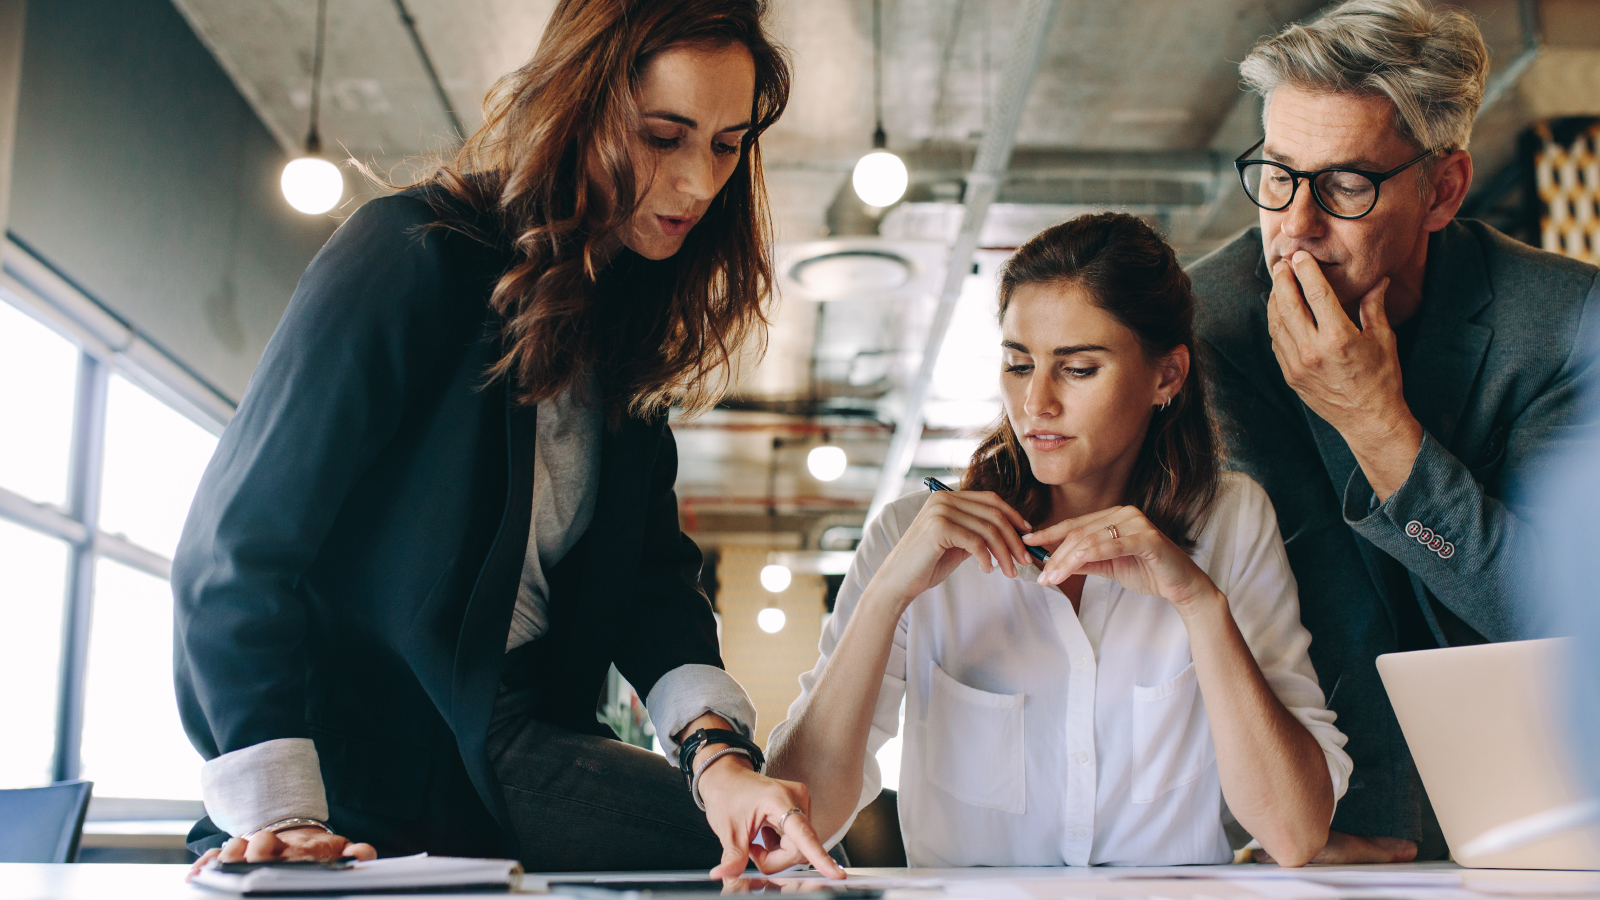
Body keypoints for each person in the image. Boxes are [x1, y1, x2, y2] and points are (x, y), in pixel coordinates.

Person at [173, 0, 843, 879]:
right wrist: (282, 810)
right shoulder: (411, 255)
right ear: (578, 108)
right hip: (378, 759)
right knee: (768, 867)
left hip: (522, 734)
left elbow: (650, 583)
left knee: (770, 843)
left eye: (726, 144)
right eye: (663, 135)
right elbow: (235, 553)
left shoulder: (620, 323)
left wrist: (718, 757)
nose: (698, 183)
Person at [765, 213, 1352, 868]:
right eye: (1018, 365)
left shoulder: (1233, 522)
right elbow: (796, 822)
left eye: (1076, 369)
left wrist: (1199, 604)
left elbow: (1295, 833)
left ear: (1167, 376)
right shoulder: (912, 536)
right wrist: (885, 599)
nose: (1035, 403)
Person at [1189, 0, 1600, 863]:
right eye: (1276, 173)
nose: (1294, 227)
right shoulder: (1206, 327)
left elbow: (1553, 612)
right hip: (1306, 823)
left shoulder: (1564, 324)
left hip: (1536, 804)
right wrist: (1331, 815)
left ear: (1443, 190)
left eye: (1344, 184)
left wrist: (1378, 428)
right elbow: (1273, 594)